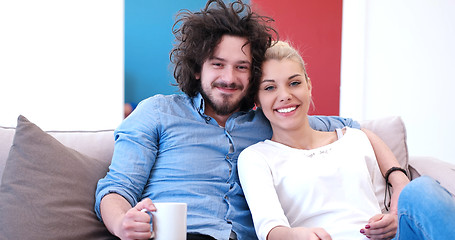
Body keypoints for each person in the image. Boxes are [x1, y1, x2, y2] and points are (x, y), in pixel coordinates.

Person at [95, 1, 400, 239]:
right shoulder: (158, 112)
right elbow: (115, 189)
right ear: (198, 67)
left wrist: (398, 178)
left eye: (241, 67)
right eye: (218, 64)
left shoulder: (271, 121)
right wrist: (123, 222)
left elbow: (355, 131)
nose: (229, 78)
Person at [237, 41, 455, 240]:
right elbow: (270, 229)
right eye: (269, 87)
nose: (284, 95)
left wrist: (394, 217)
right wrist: (298, 236)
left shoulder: (354, 139)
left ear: (309, 86)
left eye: (294, 83)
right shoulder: (256, 158)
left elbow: (385, 206)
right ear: (257, 98)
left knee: (422, 189)